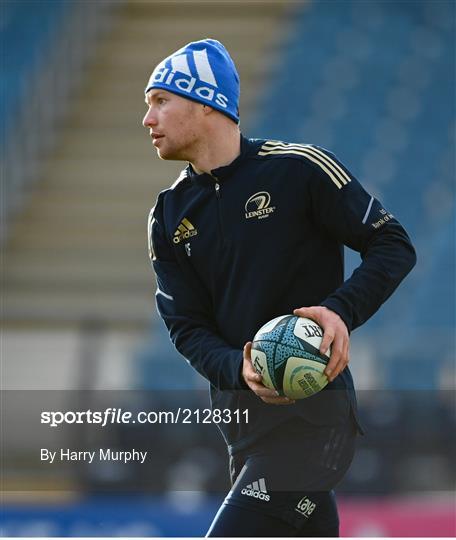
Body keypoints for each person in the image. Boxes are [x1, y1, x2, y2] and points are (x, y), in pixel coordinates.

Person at [143, 39, 416, 537]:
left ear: (206, 103)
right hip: (244, 434)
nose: (148, 119)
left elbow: (392, 243)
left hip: (317, 424)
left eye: (160, 101)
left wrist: (340, 311)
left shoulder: (299, 168)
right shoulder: (168, 215)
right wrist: (239, 368)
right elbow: (186, 327)